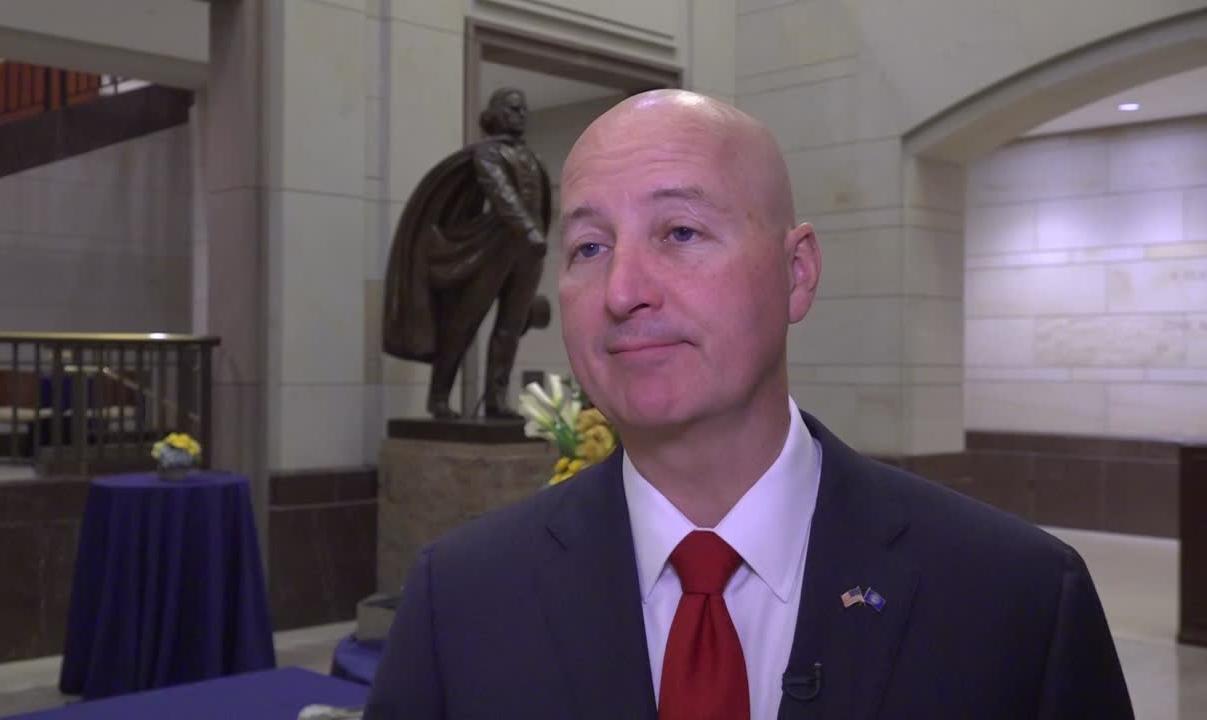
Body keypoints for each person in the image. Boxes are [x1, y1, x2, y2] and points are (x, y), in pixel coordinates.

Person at [365, 90, 1134, 719]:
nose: (624, 291)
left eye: (681, 231)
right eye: (589, 248)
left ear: (796, 273)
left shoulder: (1017, 600)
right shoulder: (458, 599)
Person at [382, 87, 551, 419]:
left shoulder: (534, 159)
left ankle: (496, 401)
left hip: (528, 255)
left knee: (510, 328)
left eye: (524, 110)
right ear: (495, 113)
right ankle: (439, 398)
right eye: (513, 109)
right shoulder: (487, 154)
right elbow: (502, 195)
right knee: (464, 324)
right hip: (491, 248)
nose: (521, 115)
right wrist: (530, 231)